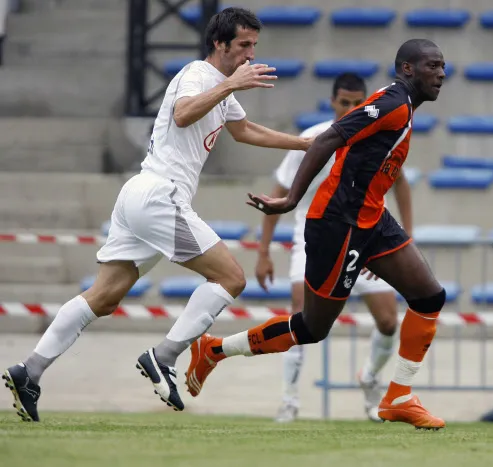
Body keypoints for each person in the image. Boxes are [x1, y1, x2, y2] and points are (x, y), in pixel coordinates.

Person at [2, 7, 316, 422]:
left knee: (105, 297)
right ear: (219, 44)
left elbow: (245, 131)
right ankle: (164, 356)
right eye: (243, 45)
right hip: (159, 196)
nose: (250, 54)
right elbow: (183, 113)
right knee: (231, 278)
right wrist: (231, 86)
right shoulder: (198, 75)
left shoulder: (220, 87)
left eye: (254, 45)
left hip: (139, 194)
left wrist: (306, 146)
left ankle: (30, 371)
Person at [186, 38, 447, 430]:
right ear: (408, 69)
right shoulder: (391, 103)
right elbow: (328, 138)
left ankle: (399, 396)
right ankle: (213, 350)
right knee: (311, 327)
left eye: (443, 66)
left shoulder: (404, 108)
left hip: (371, 219)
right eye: (432, 65)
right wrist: (292, 199)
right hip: (338, 224)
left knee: (429, 297)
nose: (441, 74)